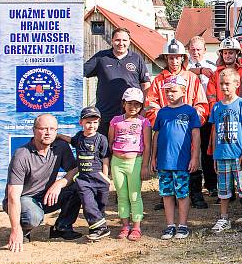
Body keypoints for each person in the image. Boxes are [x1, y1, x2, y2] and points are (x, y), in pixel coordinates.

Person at [146, 38, 209, 210]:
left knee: (193, 159)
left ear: (183, 58)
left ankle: (195, 193)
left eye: (177, 57)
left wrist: (195, 121)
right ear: (166, 58)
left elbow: (201, 104)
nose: (174, 61)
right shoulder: (158, 81)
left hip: (187, 129)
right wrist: (162, 121)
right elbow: (151, 104)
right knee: (167, 161)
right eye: (171, 57)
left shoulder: (192, 79)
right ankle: (167, 196)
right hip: (167, 131)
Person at [4, 114, 82, 252]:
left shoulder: (61, 147)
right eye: (43, 128)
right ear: (34, 130)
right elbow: (12, 196)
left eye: (52, 129)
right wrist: (14, 230)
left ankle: (62, 228)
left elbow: (74, 169)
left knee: (79, 186)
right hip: (24, 198)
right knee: (33, 217)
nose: (48, 132)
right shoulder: (21, 155)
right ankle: (24, 230)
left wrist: (60, 183)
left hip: (46, 196)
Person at [208, 69, 242, 233]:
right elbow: (215, 132)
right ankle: (224, 218)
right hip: (222, 155)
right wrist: (215, 156)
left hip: (238, 155)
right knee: (223, 190)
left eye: (227, 84)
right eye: (221, 84)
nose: (224, 87)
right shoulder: (216, 107)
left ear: (237, 85)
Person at [150, 75, 201, 240]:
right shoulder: (162, 113)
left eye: (173, 91)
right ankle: (170, 225)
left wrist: (194, 157)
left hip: (181, 162)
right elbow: (156, 136)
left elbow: (196, 135)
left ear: (183, 91)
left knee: (182, 194)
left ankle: (183, 225)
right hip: (164, 161)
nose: (170, 94)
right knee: (166, 194)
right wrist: (153, 157)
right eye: (167, 91)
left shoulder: (190, 111)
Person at [56, 106, 112, 240]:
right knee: (88, 203)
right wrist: (58, 136)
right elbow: (71, 141)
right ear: (81, 122)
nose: (91, 125)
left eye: (94, 122)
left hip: (98, 177)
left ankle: (97, 230)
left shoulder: (101, 139)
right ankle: (100, 228)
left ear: (99, 122)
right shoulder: (79, 137)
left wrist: (105, 177)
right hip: (83, 179)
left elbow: (105, 158)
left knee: (99, 205)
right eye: (88, 122)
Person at [84, 27, 151, 137]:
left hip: (130, 115)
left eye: (124, 40)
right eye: (117, 40)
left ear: (129, 41)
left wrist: (143, 109)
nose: (121, 43)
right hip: (106, 114)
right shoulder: (101, 57)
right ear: (112, 41)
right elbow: (80, 72)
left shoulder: (136, 58)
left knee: (129, 149)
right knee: (105, 150)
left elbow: (146, 85)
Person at [108, 87, 151, 241]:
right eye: (130, 103)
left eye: (137, 104)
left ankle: (137, 226)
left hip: (135, 162)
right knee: (122, 195)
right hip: (117, 162)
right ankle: (125, 225)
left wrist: (145, 165)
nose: (133, 107)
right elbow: (110, 141)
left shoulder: (144, 122)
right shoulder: (115, 121)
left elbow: (147, 145)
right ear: (123, 103)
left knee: (134, 195)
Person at [187, 36, 220, 197]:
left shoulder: (212, 66)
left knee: (208, 150)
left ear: (205, 50)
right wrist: (199, 71)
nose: (196, 52)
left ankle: (211, 184)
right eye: (193, 49)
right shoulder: (185, 66)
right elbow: (184, 73)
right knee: (189, 151)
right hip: (189, 114)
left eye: (199, 49)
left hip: (207, 114)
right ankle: (192, 185)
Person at [207, 37, 242, 107]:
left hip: (239, 109)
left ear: (237, 54)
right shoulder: (215, 74)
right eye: (225, 53)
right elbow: (211, 96)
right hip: (220, 110)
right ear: (221, 54)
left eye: (231, 53)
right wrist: (215, 109)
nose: (227, 56)